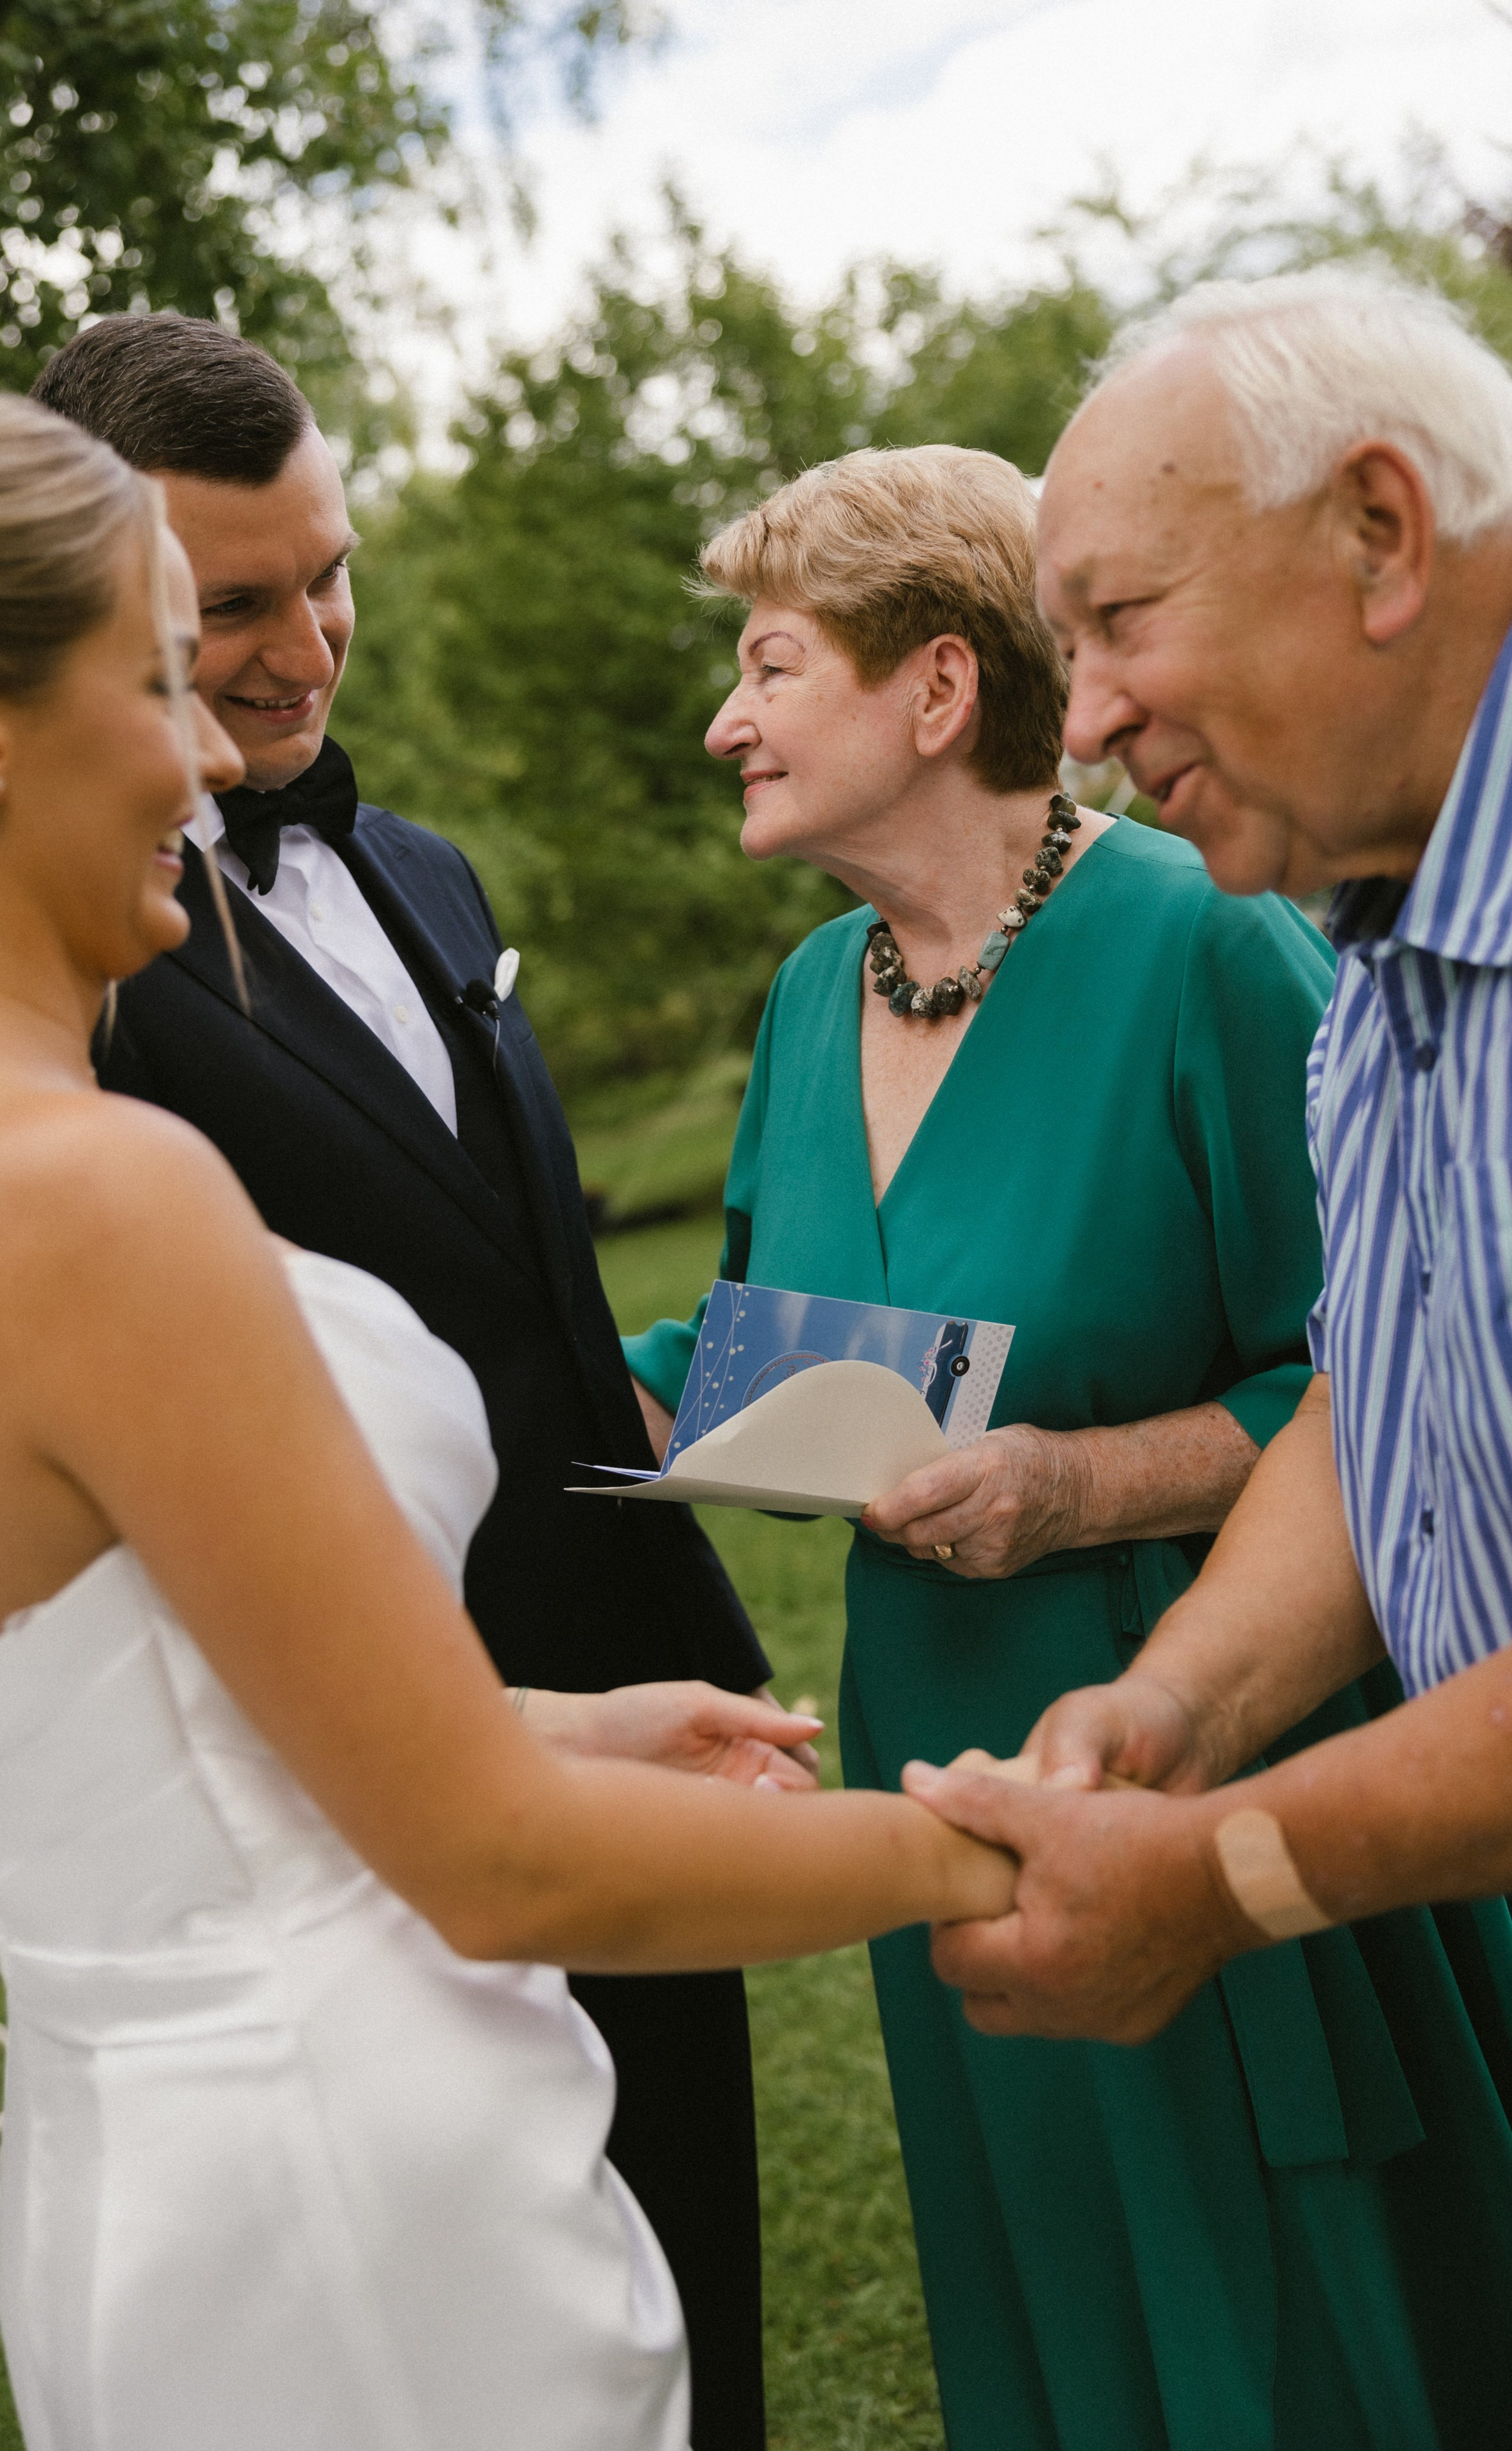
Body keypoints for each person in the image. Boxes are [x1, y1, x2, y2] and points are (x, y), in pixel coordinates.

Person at [0, 379, 1006, 2451]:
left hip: (143, 2145)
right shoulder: (88, 1183)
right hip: (358, 2145)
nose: (228, 733)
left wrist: (569, 1712)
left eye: (333, 589)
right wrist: (998, 1860)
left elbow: (145, 1714)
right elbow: (482, 1866)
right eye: (169, 664)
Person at [625, 440, 1512, 2450]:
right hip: (940, 1759)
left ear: (937, 692)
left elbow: (1389, 1373)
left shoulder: (1212, 938)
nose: (723, 720)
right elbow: (758, 1330)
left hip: (1224, 1726)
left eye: (769, 666)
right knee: (1059, 2312)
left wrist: (1079, 1484)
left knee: (1304, 2331)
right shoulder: (801, 996)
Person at [28, 313, 781, 2448]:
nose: (304, 650)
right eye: (236, 604)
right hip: (358, 1777)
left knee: (691, 2311)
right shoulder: (75, 960)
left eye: (328, 575)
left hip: (645, 1694)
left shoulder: (429, 869)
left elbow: (524, 1294)